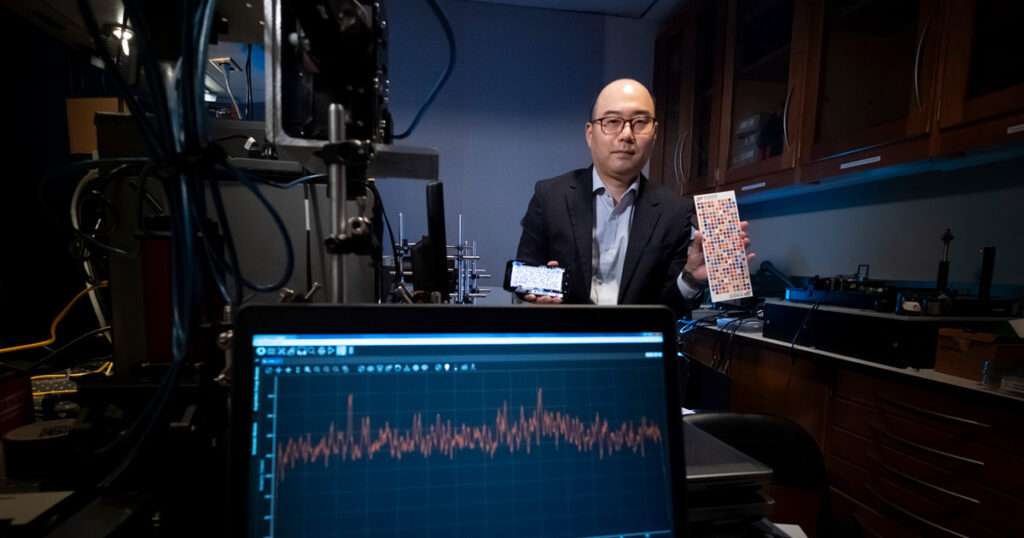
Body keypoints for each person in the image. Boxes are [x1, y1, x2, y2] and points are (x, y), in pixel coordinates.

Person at [515, 79, 752, 314]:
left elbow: (668, 307)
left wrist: (691, 278)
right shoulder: (550, 196)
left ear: (655, 134)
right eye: (612, 121)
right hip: (566, 345)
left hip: (638, 346)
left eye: (640, 122)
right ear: (590, 134)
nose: (626, 134)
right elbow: (523, 276)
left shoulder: (675, 211)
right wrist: (535, 291)